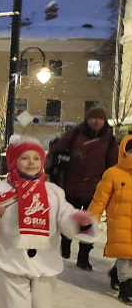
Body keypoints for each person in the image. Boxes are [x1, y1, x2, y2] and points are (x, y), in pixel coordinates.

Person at [0, 135, 99, 308]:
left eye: (36, 158)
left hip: (43, 265)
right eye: (24, 157)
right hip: (9, 263)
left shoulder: (53, 191)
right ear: (14, 162)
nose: (31, 162)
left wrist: (78, 221)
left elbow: (65, 214)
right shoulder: (1, 190)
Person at [47, 106, 118, 271]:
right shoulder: (75, 134)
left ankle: (83, 257)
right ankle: (65, 242)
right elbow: (56, 153)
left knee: (89, 224)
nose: (96, 121)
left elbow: (112, 164)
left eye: (100, 118)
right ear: (87, 119)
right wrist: (67, 159)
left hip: (94, 190)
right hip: (70, 185)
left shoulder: (109, 140)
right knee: (68, 217)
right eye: (93, 117)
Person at [87, 135, 132, 304]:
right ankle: (126, 286)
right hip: (120, 221)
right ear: (124, 152)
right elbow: (100, 199)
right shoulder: (113, 173)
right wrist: (92, 219)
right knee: (125, 254)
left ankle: (116, 274)